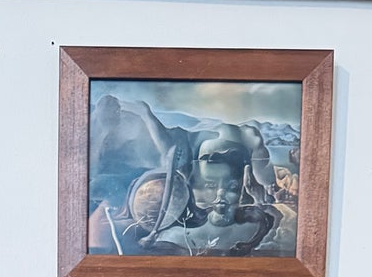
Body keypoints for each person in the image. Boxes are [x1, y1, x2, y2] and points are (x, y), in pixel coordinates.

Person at [88, 93, 292, 257]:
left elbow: (267, 181)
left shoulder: (251, 139)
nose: (220, 196)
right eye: (211, 186)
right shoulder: (179, 157)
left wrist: (262, 189)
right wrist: (144, 114)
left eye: (231, 187)